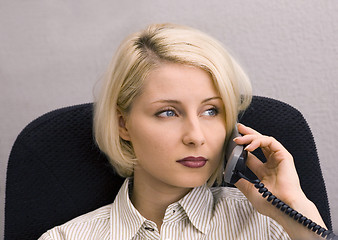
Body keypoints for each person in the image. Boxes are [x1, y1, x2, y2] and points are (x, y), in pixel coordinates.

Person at [39, 23, 327, 240]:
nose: (196, 136)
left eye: (211, 111)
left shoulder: (270, 224)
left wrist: (293, 208)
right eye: (168, 112)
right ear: (122, 125)